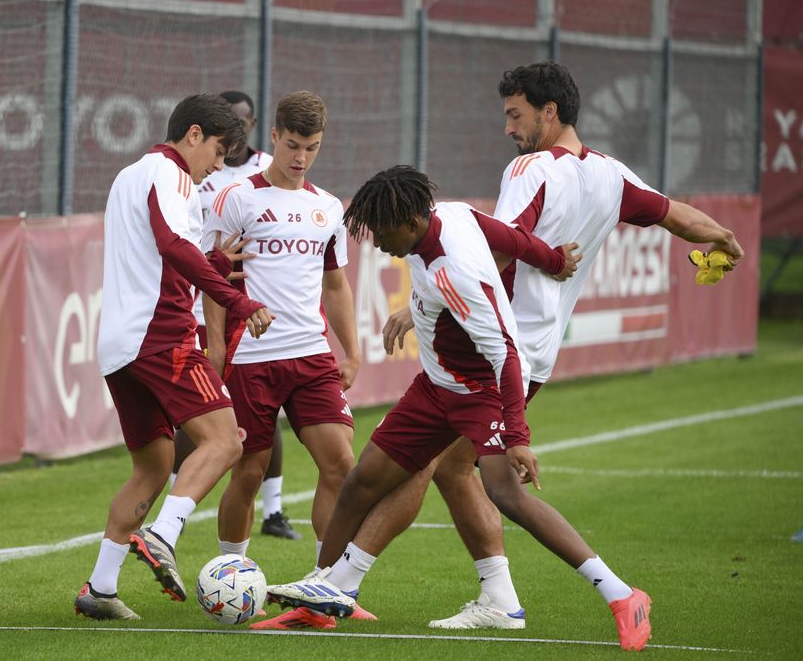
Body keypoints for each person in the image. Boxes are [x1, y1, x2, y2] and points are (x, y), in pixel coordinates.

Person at [307, 60, 745, 636]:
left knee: (455, 473)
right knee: (448, 469)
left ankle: (338, 588)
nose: (509, 128)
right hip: (535, 352)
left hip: (490, 350)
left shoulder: (532, 167)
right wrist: (724, 237)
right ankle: (490, 596)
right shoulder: (612, 175)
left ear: (549, 111)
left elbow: (495, 248)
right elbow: (675, 216)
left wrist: (427, 305)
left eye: (515, 115)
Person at [267, 166, 654, 652]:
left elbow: (507, 352)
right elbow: (511, 237)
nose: (379, 244)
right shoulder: (451, 215)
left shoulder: (454, 272)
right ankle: (324, 591)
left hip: (478, 396)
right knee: (361, 480)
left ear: (409, 220)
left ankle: (622, 595)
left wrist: (517, 436)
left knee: (507, 495)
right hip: (432, 390)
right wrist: (553, 258)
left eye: (382, 233)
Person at [74, 93, 275, 621]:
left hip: (120, 344)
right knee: (227, 440)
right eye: (217, 151)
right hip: (160, 335)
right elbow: (170, 246)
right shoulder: (173, 175)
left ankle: (100, 587)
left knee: (153, 467)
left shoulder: (130, 175)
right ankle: (162, 534)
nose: (217, 165)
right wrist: (236, 298)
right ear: (193, 135)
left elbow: (156, 249)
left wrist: (211, 259)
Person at [199, 91, 361, 631]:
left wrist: (352, 349)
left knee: (340, 464)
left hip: (311, 355)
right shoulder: (237, 198)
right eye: (292, 145)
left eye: (311, 148)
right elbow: (213, 277)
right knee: (246, 472)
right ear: (273, 137)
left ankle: (324, 588)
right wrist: (217, 345)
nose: (300, 157)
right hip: (253, 358)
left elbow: (335, 282)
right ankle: (230, 573)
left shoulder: (328, 207)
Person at [172, 90, 300, 541]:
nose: (240, 131)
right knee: (195, 406)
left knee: (262, 411)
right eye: (233, 123)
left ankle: (275, 509)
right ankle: (176, 502)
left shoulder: (269, 171)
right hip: (200, 295)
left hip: (248, 305)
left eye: (246, 122)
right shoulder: (192, 171)